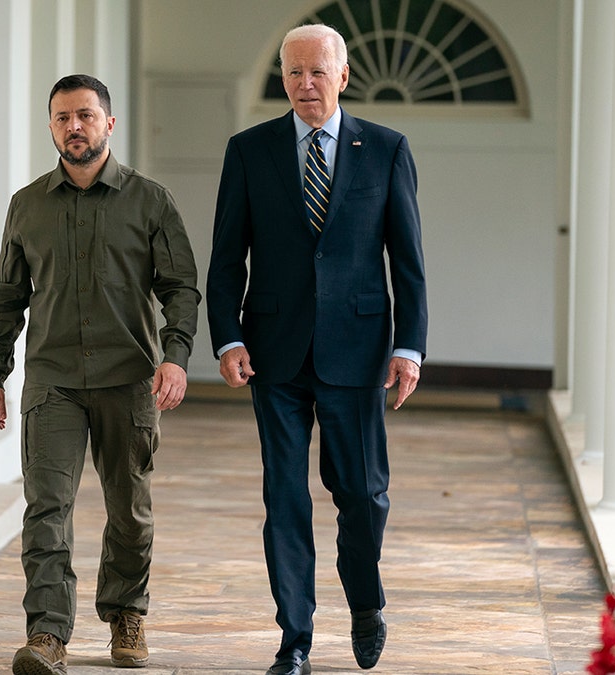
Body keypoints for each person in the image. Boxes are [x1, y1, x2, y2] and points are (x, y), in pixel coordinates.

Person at [205, 24, 428, 675]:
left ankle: (365, 600)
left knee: (361, 491)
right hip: (273, 351)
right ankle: (294, 639)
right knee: (285, 496)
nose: (305, 83)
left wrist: (409, 346)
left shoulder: (385, 150)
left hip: (358, 353)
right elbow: (225, 258)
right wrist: (228, 334)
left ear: (344, 75)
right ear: (283, 78)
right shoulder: (250, 150)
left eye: (317, 72)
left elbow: (408, 263)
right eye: (294, 72)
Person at [0, 74, 201, 675]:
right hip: (52, 380)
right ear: (51, 126)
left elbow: (180, 287)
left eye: (84, 115)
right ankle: (47, 633)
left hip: (128, 378)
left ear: (109, 122)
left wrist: (175, 356)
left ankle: (126, 610)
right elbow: (6, 297)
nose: (73, 127)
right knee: (46, 507)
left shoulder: (150, 201)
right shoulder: (27, 206)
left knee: (129, 508)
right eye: (61, 118)